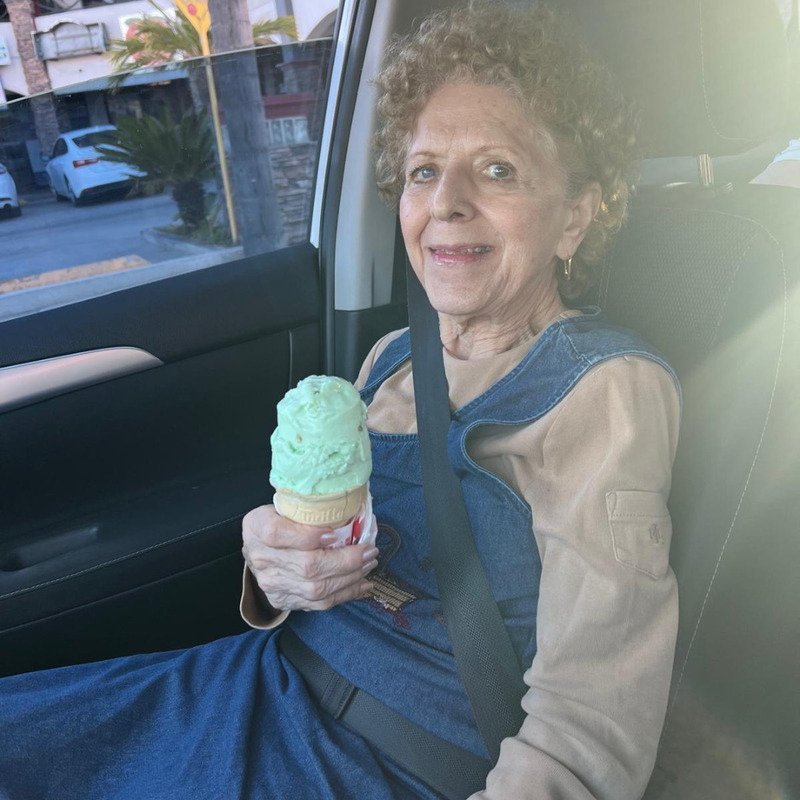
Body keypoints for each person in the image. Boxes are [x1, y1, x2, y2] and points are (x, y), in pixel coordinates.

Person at [0, 6, 680, 800]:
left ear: (576, 216)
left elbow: (588, 733)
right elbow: (322, 553)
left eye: (499, 169)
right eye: (424, 171)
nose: (446, 201)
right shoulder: (391, 357)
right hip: (258, 681)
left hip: (375, 764)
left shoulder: (606, 389)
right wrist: (271, 565)